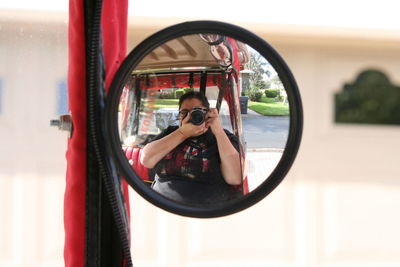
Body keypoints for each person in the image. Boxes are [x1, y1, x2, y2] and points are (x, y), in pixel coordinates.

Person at [140, 91, 242, 205]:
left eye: (196, 111)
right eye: (184, 112)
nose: (190, 116)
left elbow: (235, 178)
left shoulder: (223, 137)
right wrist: (182, 133)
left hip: (208, 210)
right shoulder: (170, 132)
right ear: (179, 115)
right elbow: (146, 160)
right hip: (161, 204)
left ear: (208, 113)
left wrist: (218, 132)